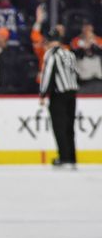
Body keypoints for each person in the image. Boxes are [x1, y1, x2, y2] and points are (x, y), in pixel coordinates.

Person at [39, 30, 79, 168]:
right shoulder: (69, 53)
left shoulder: (51, 54)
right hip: (72, 92)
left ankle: (64, 158)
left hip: (59, 94)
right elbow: (75, 73)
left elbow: (47, 74)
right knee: (70, 127)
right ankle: (72, 158)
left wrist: (43, 94)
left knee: (59, 127)